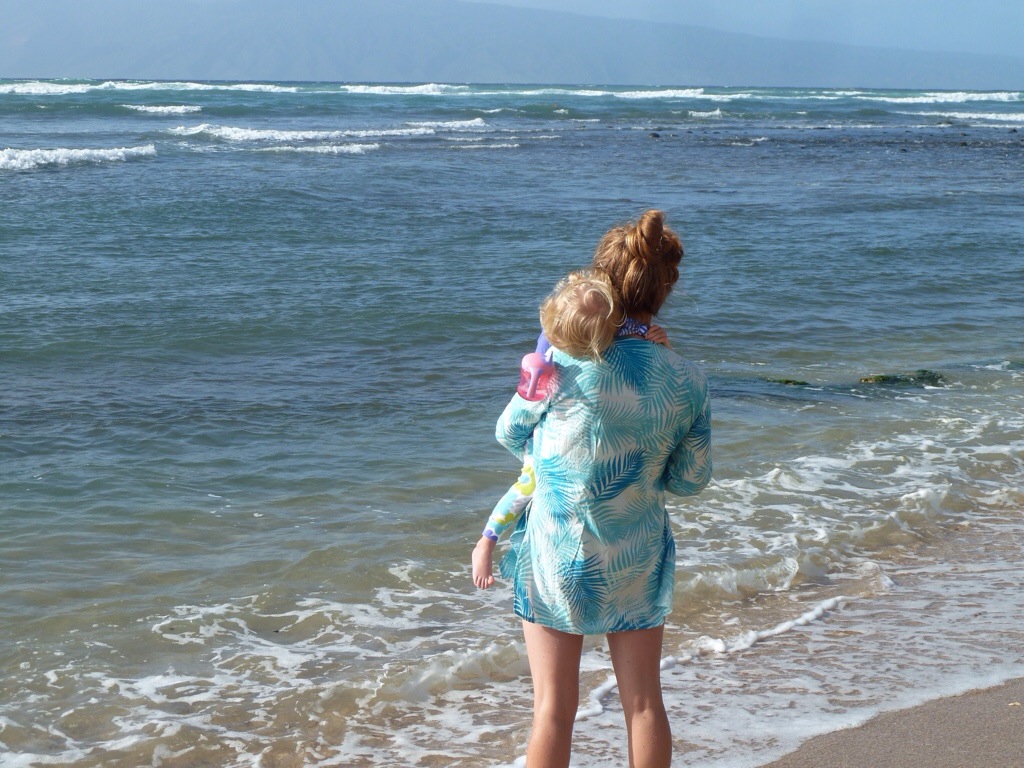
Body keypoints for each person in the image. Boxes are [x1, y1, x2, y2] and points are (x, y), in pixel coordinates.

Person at [472, 210, 711, 768]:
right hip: (636, 553)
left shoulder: (562, 362)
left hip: (557, 553)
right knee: (644, 704)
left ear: (603, 278)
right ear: (664, 288)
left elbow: (508, 433)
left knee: (553, 710)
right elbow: (690, 480)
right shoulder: (687, 377)